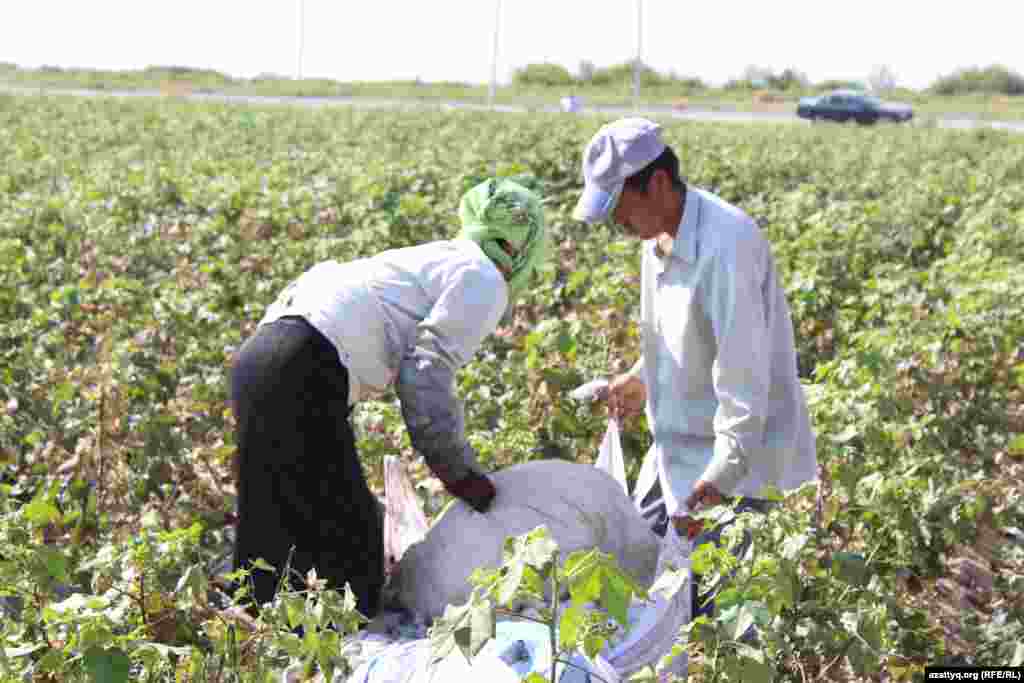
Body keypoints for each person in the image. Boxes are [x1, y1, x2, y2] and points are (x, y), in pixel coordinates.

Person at [229, 177, 547, 618]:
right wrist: (459, 474)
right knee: (353, 551)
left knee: (269, 539)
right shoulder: (483, 276)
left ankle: (252, 654)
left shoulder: (433, 259)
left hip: (259, 360)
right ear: (522, 246)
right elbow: (424, 375)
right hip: (305, 365)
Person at [573, 118, 817, 620]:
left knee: (730, 621)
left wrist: (718, 480)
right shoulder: (657, 235)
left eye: (620, 206)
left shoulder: (727, 248)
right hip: (678, 456)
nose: (616, 222)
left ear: (657, 184)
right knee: (641, 583)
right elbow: (677, 332)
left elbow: (746, 382)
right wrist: (641, 377)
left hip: (735, 468)